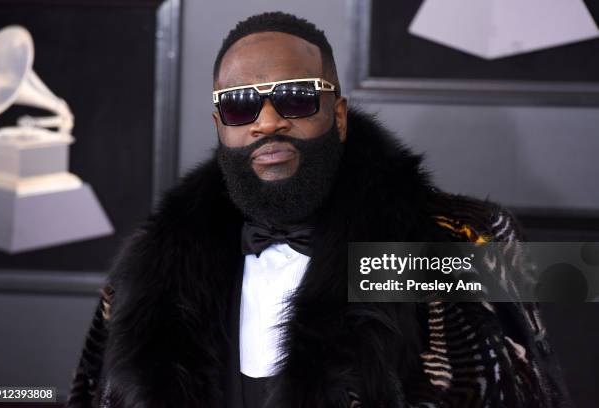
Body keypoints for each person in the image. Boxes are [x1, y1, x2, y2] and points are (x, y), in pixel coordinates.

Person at [66, 12, 571, 408]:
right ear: (221, 125)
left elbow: (524, 388)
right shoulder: (150, 268)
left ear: (340, 115)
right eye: (241, 105)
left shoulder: (456, 240)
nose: (266, 122)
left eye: (294, 99)